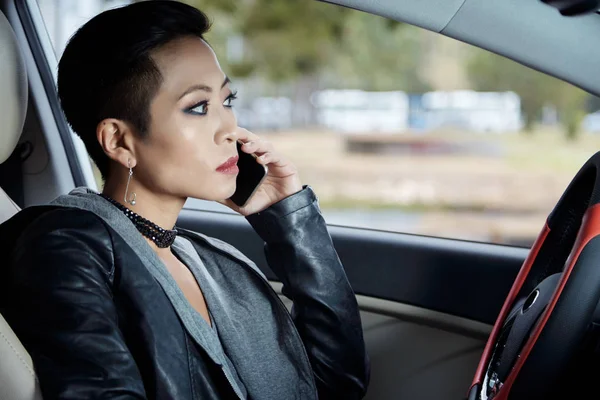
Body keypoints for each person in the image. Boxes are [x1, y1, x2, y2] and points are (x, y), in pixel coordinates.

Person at [0, 1, 369, 399]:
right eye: (198, 107)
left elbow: (337, 384)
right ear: (120, 141)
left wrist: (288, 218)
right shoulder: (65, 246)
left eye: (227, 101)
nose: (229, 128)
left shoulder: (209, 260)